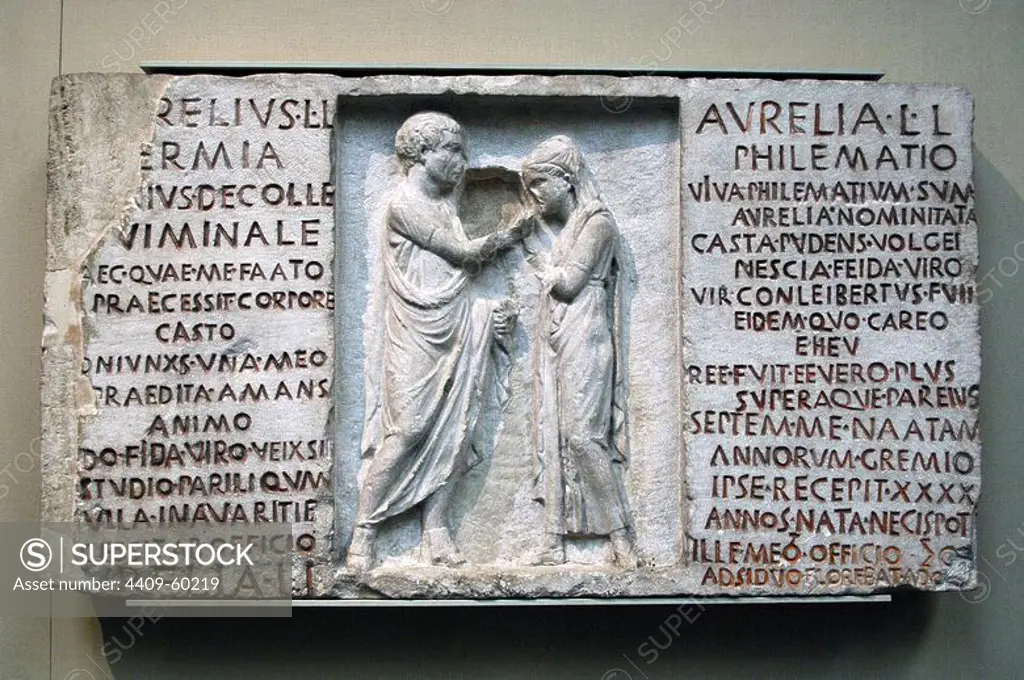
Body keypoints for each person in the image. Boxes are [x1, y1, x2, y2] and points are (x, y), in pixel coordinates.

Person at [347, 112, 531, 571]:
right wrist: (511, 233)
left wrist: (488, 314)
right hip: (416, 332)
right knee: (409, 428)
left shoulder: (447, 206)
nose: (462, 162)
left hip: (458, 322)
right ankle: (363, 531)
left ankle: (436, 529)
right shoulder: (404, 203)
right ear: (422, 153)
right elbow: (463, 255)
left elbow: (461, 273)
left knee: (458, 424)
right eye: (453, 151)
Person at [521, 135, 639, 568]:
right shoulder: (570, 227)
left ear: (566, 180)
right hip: (556, 334)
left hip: (585, 332)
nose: (533, 196)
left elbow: (569, 284)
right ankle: (553, 539)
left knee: (583, 437)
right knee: (553, 434)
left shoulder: (598, 222)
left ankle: (621, 537)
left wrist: (535, 259)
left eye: (539, 184)